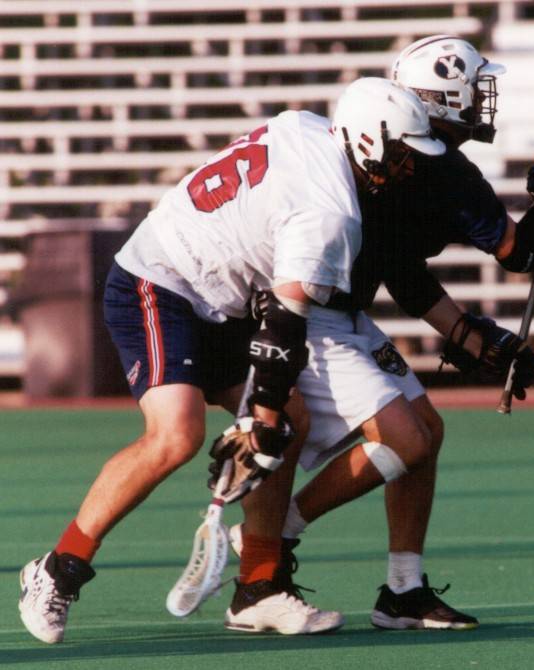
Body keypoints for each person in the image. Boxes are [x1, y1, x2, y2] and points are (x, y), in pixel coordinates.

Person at [18, 77, 446, 644]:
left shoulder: (309, 126)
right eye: (401, 154)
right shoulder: (331, 212)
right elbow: (286, 322)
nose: (408, 167)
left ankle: (258, 587)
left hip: (221, 294)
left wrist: (268, 416)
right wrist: (260, 416)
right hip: (161, 280)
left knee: (289, 419)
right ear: (367, 142)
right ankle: (57, 568)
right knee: (177, 436)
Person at [225, 35, 534, 630]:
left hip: (341, 309)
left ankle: (403, 589)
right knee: (407, 440)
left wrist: (465, 332)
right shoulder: (438, 171)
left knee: (427, 432)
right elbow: (519, 253)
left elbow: (398, 267)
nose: (482, 100)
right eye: (472, 88)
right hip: (304, 311)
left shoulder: (396, 152)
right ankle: (272, 534)